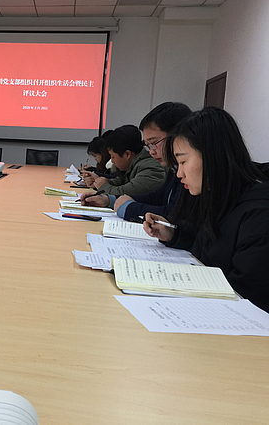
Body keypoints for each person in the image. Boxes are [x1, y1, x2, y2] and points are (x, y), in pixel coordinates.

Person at [143, 107, 269, 312]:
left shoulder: (259, 214)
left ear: (213, 156)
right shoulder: (218, 196)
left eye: (183, 161)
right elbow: (210, 252)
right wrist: (174, 235)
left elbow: (247, 296)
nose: (179, 173)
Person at [81, 102, 191, 219]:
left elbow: (174, 214)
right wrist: (109, 200)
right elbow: (157, 197)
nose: (151, 151)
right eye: (148, 145)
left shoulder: (153, 167)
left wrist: (128, 208)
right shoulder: (174, 169)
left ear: (178, 136)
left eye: (154, 143)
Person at [81, 124, 166, 196]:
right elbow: (121, 182)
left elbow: (125, 193)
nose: (112, 161)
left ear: (127, 154)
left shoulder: (150, 168)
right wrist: (98, 181)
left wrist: (102, 186)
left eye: (113, 156)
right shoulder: (134, 164)